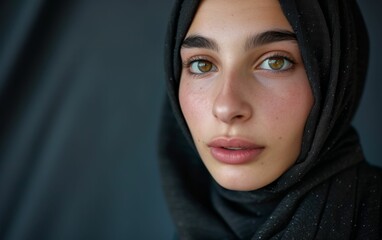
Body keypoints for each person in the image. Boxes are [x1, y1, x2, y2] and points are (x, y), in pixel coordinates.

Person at [159, 0, 382, 239]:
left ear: (332, 78)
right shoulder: (192, 226)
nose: (226, 107)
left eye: (275, 62)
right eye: (202, 64)